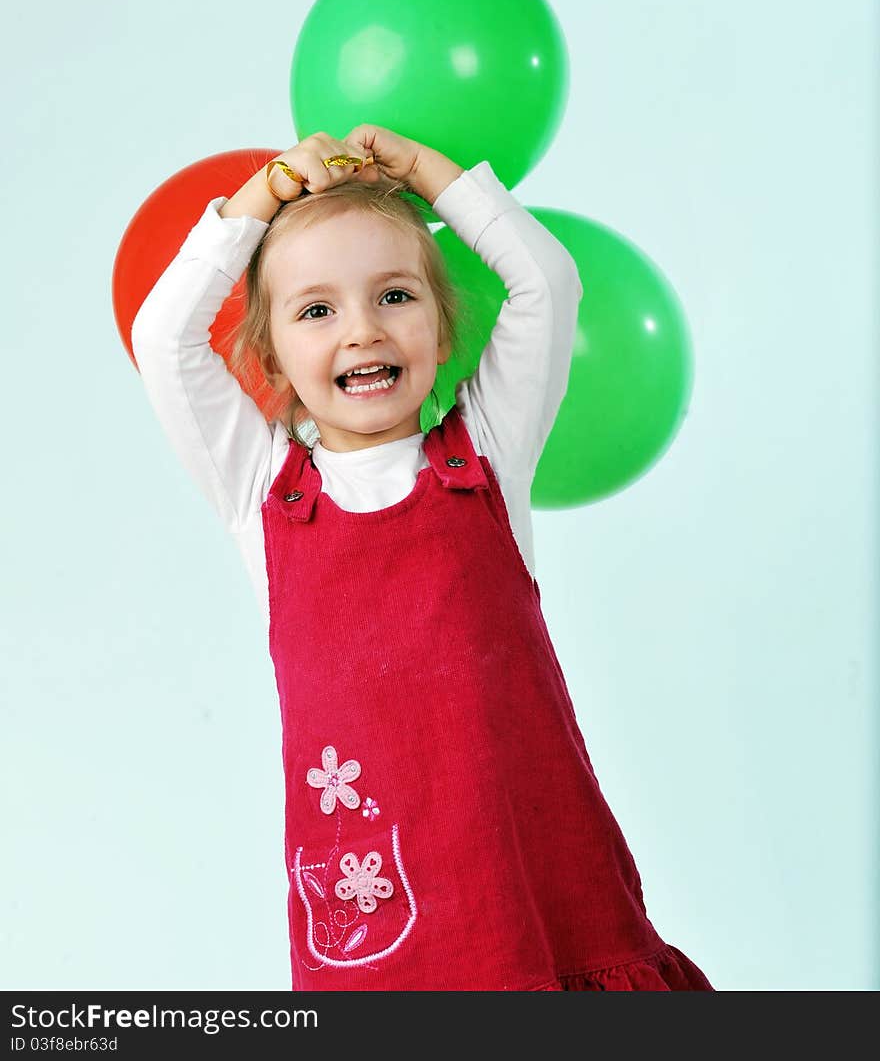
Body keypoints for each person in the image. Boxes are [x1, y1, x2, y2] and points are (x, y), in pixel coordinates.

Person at [131, 123, 713, 992]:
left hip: (531, 885)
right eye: (317, 310)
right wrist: (266, 195)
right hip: (379, 905)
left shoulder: (484, 456)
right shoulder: (264, 494)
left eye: (395, 296)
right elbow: (163, 337)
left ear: (444, 333)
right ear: (271, 360)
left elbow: (546, 282)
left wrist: (426, 176)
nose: (362, 331)